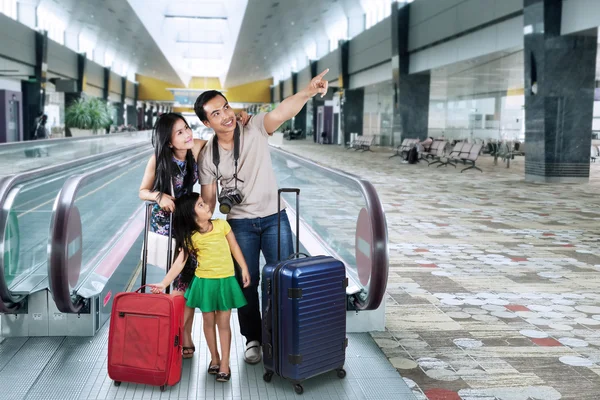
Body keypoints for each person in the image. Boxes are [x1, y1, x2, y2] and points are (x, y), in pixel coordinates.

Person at [195, 68, 330, 364]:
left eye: (226, 107)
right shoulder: (207, 156)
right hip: (239, 224)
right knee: (247, 283)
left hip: (274, 218)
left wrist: (307, 92)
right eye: (216, 114)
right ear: (206, 123)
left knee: (282, 279)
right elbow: (208, 199)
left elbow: (282, 112)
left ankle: (280, 335)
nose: (226, 115)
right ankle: (253, 338)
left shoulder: (255, 127)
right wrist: (203, 230)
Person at [139, 112, 249, 358]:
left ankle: (182, 334)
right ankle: (181, 335)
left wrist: (240, 120)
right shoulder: (158, 159)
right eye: (179, 132)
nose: (188, 134)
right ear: (168, 142)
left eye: (187, 128)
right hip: (165, 225)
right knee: (181, 279)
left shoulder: (197, 148)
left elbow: (224, 143)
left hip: (186, 221)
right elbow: (142, 191)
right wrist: (159, 196)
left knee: (186, 282)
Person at [148, 193, 251, 382]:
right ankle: (214, 357)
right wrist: (164, 283)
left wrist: (244, 268)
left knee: (224, 324)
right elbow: (180, 263)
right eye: (201, 205)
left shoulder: (222, 225)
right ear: (192, 216)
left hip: (225, 281)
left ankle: (225, 364)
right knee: (208, 322)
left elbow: (235, 247)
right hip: (205, 283)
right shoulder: (191, 237)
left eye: (204, 203)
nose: (207, 206)